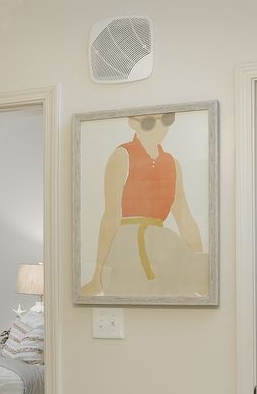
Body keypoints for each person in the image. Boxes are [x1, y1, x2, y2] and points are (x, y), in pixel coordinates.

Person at [80, 111, 208, 299]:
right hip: (129, 246)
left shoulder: (172, 163)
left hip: (163, 246)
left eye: (166, 120)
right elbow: (111, 216)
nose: (159, 128)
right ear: (133, 123)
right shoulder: (122, 155)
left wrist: (199, 269)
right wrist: (99, 272)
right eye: (149, 123)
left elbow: (185, 219)